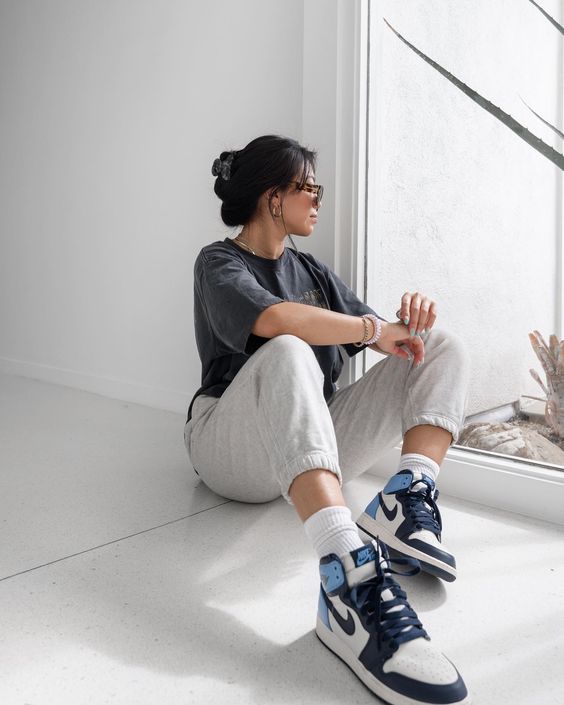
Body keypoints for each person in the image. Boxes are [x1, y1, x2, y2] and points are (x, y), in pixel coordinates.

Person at [184, 135, 471, 705]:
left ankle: (406, 496)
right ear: (273, 198)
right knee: (288, 346)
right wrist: (369, 328)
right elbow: (278, 320)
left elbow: (383, 336)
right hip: (228, 448)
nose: (318, 199)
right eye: (308, 187)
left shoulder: (310, 269)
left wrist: (405, 323)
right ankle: (347, 572)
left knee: (439, 344)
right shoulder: (219, 261)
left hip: (307, 448)